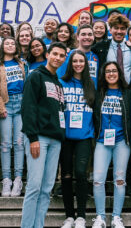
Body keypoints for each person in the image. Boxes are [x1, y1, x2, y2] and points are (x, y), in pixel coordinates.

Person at [20, 42, 68, 228]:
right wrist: (32, 138)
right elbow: (28, 108)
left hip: (55, 140)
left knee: (47, 188)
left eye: (61, 55)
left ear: (64, 59)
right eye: (54, 53)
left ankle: (38, 225)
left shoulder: (58, 83)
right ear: (47, 54)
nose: (57, 57)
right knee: (34, 186)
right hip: (38, 138)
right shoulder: (36, 77)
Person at [91, 62, 131, 228]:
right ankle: (100, 217)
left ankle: (116, 217)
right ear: (104, 74)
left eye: (114, 71)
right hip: (102, 141)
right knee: (98, 180)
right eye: (107, 71)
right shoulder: (99, 93)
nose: (111, 74)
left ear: (119, 73)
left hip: (122, 141)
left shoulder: (127, 93)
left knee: (120, 179)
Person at [59, 50, 96, 228]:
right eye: (75, 61)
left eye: (81, 61)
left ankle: (81, 216)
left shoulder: (91, 84)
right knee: (66, 176)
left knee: (81, 173)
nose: (78, 64)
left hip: (84, 136)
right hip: (65, 137)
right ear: (70, 63)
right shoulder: (62, 82)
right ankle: (69, 216)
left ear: (86, 64)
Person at [0, 37, 28, 197]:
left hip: (21, 104)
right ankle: (6, 180)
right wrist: (0, 106)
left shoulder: (22, 64)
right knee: (5, 143)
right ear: (2, 47)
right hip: (6, 104)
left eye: (13, 43)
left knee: (19, 143)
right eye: (7, 43)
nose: (10, 45)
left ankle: (18, 179)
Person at [93, 13, 131, 84]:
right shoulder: (101, 46)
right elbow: (87, 52)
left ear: (126, 31)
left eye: (122, 29)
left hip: (127, 91)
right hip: (107, 91)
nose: (119, 32)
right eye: (116, 28)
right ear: (110, 30)